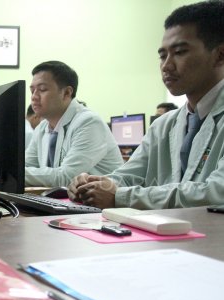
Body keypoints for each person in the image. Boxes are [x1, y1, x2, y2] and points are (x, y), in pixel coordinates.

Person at [69, 1, 224, 209]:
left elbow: (217, 192)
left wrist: (121, 197)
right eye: (162, 56)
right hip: (168, 237)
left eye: (179, 52)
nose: (166, 66)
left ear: (220, 55)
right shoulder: (164, 125)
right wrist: (92, 185)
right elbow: (127, 177)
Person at [25, 60, 123, 187]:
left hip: (101, 204)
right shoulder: (42, 128)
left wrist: (12, 174)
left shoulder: (89, 123)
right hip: (63, 201)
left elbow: (66, 177)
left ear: (67, 93)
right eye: (32, 91)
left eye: (42, 89)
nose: (34, 97)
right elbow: (26, 166)